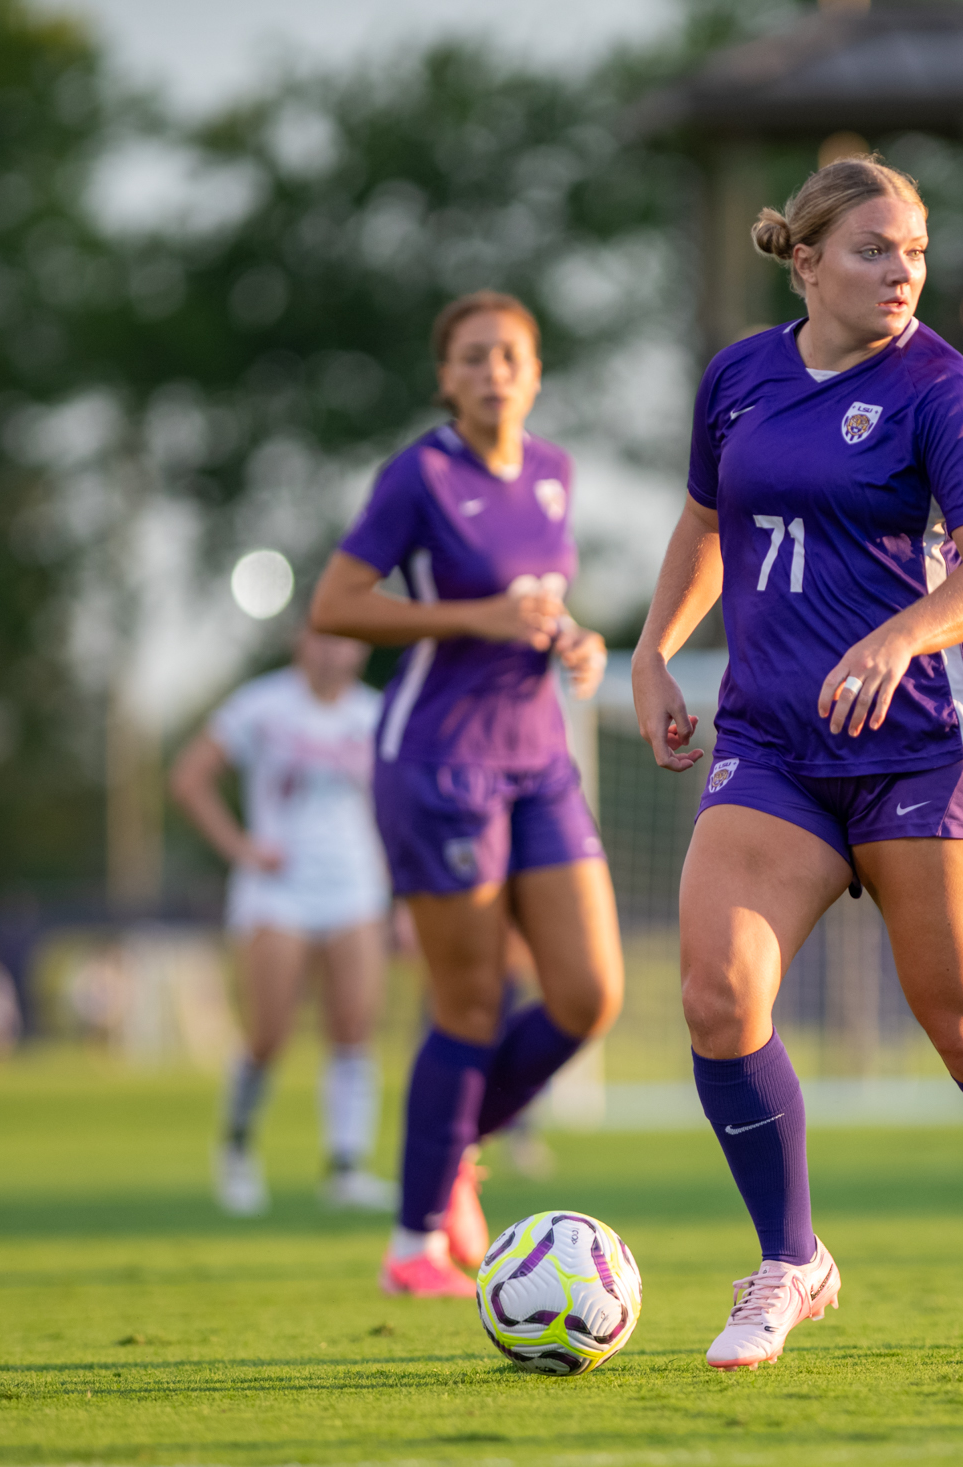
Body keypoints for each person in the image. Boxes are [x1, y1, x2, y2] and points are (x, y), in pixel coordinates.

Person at [631, 156, 963, 1370]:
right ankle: (789, 1260)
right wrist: (652, 653)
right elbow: (706, 525)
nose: (900, 271)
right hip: (774, 745)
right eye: (871, 250)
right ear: (804, 260)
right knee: (714, 996)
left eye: (911, 251)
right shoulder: (739, 377)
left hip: (924, 749)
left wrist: (900, 635)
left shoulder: (942, 389)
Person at [310, 289, 622, 1297]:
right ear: (446, 376)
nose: (495, 371)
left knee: (588, 994)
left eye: (512, 355)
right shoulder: (420, 475)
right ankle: (411, 1244)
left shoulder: (556, 475)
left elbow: (539, 606)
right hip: (439, 759)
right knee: (469, 1003)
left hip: (540, 759)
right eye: (475, 356)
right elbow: (337, 606)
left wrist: (575, 638)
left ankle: (446, 1157)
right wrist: (472, 616)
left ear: (535, 374)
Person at [169, 627, 397, 1216]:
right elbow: (188, 778)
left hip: (355, 887)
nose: (333, 651)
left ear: (361, 648)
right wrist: (242, 848)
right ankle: (238, 1149)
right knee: (268, 1033)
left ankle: (346, 1167)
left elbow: (396, 808)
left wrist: (404, 895)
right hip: (278, 892)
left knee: (354, 1028)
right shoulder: (261, 706)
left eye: (346, 640)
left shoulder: (375, 715)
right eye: (322, 639)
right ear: (301, 643)